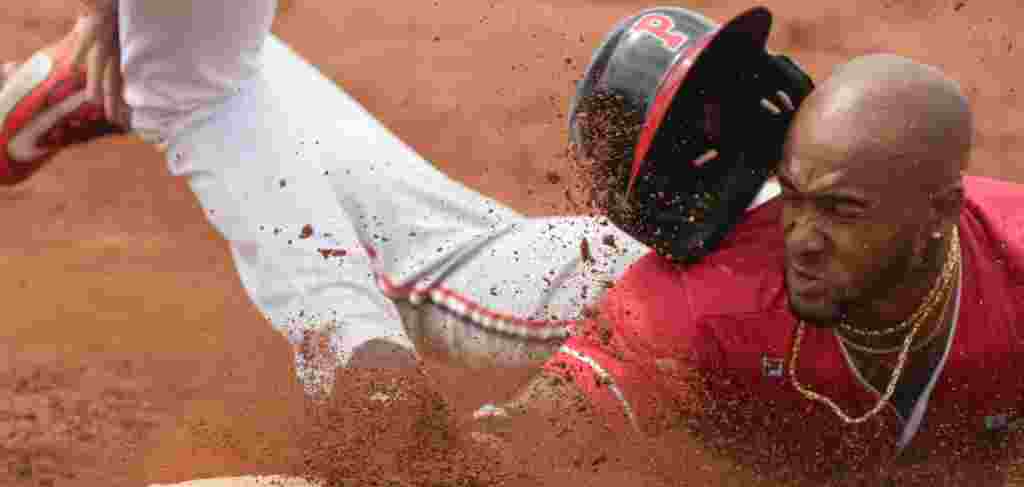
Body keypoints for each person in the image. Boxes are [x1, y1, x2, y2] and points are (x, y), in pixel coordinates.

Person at [0, 3, 810, 408]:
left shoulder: (907, 199)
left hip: (631, 260)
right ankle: (359, 366)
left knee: (192, 66)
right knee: (444, 260)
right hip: (614, 276)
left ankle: (158, 65)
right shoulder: (687, 308)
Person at [526, 52, 1024, 487]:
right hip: (589, 270)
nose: (803, 239)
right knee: (463, 266)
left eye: (841, 209)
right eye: (794, 196)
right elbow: (525, 437)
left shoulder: (1010, 265)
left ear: (941, 213)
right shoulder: (702, 300)